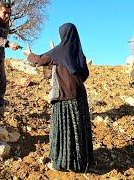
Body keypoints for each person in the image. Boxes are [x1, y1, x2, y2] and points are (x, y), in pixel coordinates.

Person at [23, 23, 93, 172]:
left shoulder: (60, 50)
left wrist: (28, 54)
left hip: (65, 97)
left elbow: (39, 60)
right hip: (80, 97)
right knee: (78, 130)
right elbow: (85, 75)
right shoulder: (79, 53)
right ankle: (80, 161)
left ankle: (63, 163)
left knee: (64, 130)